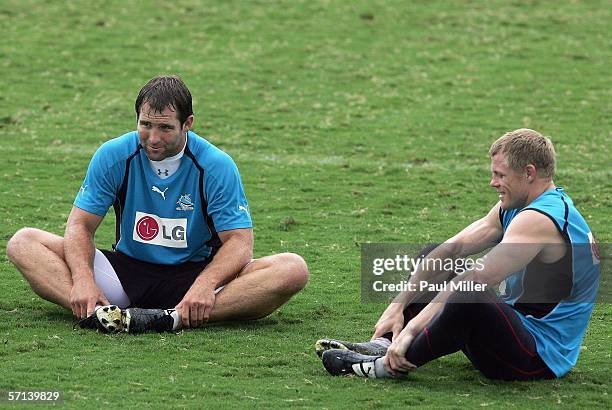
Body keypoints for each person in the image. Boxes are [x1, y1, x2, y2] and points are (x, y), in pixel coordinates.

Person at [6, 75, 309, 333]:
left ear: (187, 123)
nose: (152, 138)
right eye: (145, 125)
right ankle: (99, 312)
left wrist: (205, 285)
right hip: (124, 274)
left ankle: (172, 318)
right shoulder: (113, 155)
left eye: (165, 128)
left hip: (194, 276)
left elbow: (240, 243)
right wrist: (83, 280)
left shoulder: (216, 165)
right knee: (23, 243)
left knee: (292, 269)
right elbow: (80, 225)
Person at [316, 129, 599, 380]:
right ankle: (386, 342)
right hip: (513, 327)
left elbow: (476, 279)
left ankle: (386, 366)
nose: (492, 182)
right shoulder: (520, 205)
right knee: (436, 258)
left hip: (536, 358)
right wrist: (397, 305)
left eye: (500, 175)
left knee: (470, 294)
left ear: (529, 173)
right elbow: (453, 248)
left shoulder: (540, 219)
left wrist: (414, 328)